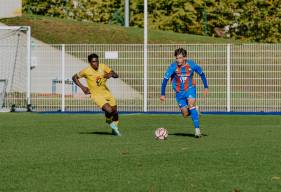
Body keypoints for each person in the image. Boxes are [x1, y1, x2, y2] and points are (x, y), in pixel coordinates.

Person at [160, 48, 208, 138]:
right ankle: (195, 111)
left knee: (191, 104)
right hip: (179, 92)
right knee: (185, 114)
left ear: (185, 57)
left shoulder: (192, 65)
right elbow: (165, 80)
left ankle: (197, 130)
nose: (178, 60)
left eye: (180, 58)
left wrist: (205, 87)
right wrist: (162, 94)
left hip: (190, 88)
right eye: (177, 58)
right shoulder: (173, 67)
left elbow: (202, 74)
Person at [72, 53, 121, 136]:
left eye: (97, 61)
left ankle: (114, 128)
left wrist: (111, 74)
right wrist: (83, 87)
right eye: (94, 62)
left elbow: (116, 75)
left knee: (115, 112)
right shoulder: (86, 71)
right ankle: (109, 121)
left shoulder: (103, 66)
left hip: (106, 92)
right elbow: (74, 77)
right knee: (109, 110)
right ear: (89, 62)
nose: (96, 63)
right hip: (95, 94)